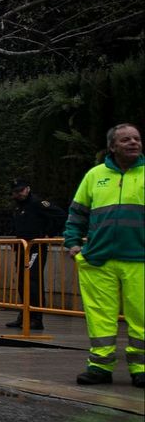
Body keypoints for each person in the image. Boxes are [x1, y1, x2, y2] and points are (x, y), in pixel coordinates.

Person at [64, 123, 143, 387]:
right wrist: (73, 244)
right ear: (112, 147)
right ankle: (99, 366)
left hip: (139, 258)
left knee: (142, 316)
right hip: (99, 259)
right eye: (126, 140)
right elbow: (77, 213)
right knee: (100, 317)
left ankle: (141, 368)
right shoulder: (95, 175)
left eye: (136, 139)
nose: (133, 142)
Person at [6, 178, 66, 331]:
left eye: (21, 190)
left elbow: (60, 215)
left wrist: (48, 234)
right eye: (15, 192)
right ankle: (24, 314)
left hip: (35, 248)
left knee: (33, 280)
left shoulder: (37, 203)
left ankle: (36, 317)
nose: (18, 194)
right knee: (21, 280)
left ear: (27, 189)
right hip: (22, 247)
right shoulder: (18, 207)